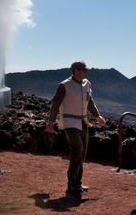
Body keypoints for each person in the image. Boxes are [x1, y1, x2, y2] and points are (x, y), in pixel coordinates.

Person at [45, 61, 106, 197]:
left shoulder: (87, 84)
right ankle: (72, 184)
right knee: (77, 148)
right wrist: (50, 122)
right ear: (74, 70)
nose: (84, 72)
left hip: (83, 121)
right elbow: (55, 104)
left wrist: (97, 116)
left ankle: (77, 182)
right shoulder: (64, 85)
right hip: (69, 121)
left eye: (85, 70)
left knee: (82, 153)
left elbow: (90, 102)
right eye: (81, 70)